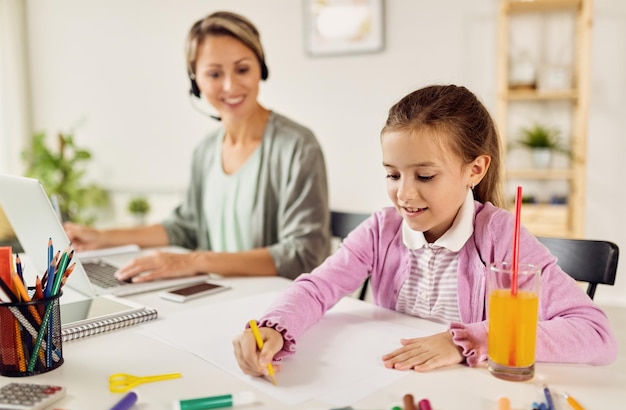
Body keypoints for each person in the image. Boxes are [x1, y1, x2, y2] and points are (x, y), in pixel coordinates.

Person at [232, 84, 617, 379]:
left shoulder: (500, 235)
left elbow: (595, 333)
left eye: (425, 175)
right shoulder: (382, 230)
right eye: (392, 174)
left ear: (475, 170)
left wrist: (468, 341)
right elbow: (317, 289)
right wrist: (273, 327)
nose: (405, 193)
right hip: (390, 385)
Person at [64, 11, 330, 281]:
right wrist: (103, 237)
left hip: (274, 308)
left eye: (242, 69)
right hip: (219, 297)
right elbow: (185, 228)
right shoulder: (205, 152)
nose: (230, 85)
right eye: (214, 74)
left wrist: (195, 261)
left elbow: (303, 254)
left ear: (261, 68)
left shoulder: (298, 147)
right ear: (196, 82)